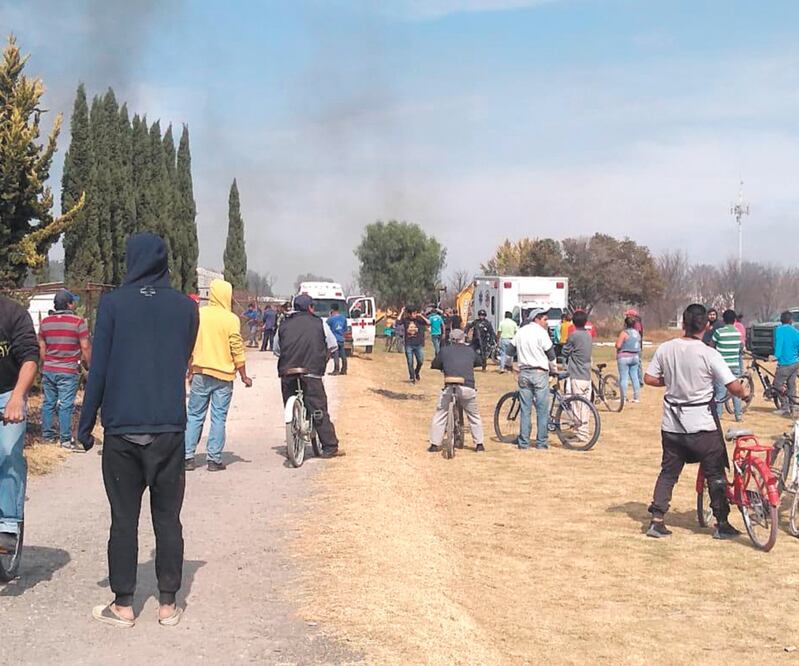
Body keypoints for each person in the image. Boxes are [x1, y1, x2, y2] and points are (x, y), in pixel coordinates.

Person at [78, 233, 199, 627]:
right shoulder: (186, 308)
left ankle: (124, 605)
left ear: (131, 260)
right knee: (168, 518)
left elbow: (99, 368)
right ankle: (168, 605)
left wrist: (85, 424)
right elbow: (181, 355)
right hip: (168, 428)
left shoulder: (113, 305)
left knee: (123, 519)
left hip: (122, 428)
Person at [644, 303, 748, 540]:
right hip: (702, 425)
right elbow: (733, 386)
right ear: (707, 325)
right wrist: (744, 393)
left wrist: (670, 381)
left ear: (683, 323)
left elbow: (649, 378)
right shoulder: (709, 353)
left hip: (672, 425)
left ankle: (657, 519)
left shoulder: (666, 348)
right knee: (715, 473)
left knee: (668, 473)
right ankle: (721, 523)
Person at [185, 278, 252, 472]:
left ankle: (187, 457)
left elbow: (190, 343)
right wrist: (244, 375)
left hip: (200, 372)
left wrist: (189, 369)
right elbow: (237, 348)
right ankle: (214, 460)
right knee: (218, 418)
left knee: (194, 415)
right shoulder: (231, 319)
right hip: (224, 376)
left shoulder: (199, 314)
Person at [274, 294, 342, 457]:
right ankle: (330, 447)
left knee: (289, 401)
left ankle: (293, 431)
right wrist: (323, 359)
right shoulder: (320, 323)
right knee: (318, 408)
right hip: (312, 371)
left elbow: (276, 349)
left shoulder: (283, 324)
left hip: (288, 372)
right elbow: (333, 346)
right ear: (310, 308)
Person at [0, 296, 39, 555]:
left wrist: (17, 397)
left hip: (8, 392)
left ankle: (8, 524)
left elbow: (30, 359)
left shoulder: (12, 313)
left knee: (8, 451)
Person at [37, 289, 92, 449]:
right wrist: (89, 365)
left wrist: (45, 364)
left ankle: (47, 436)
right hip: (68, 369)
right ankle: (65, 439)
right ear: (69, 304)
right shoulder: (78, 322)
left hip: (49, 368)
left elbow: (42, 347)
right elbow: (85, 346)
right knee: (66, 405)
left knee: (48, 403)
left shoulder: (45, 322)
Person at [428, 329, 485, 453]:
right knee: (473, 415)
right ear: (463, 338)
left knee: (440, 413)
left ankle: (434, 444)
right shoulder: (470, 350)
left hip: (449, 386)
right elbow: (479, 362)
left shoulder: (445, 350)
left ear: (451, 339)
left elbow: (435, 364)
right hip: (467, 387)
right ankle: (479, 444)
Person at [510, 309, 558, 450]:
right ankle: (541, 442)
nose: (547, 322)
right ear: (536, 319)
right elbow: (551, 355)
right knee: (542, 410)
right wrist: (554, 370)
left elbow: (509, 351)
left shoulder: (521, 331)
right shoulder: (541, 333)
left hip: (524, 372)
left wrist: (509, 366)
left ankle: (523, 442)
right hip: (539, 373)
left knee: (525, 410)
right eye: (545, 319)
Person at [710, 309, 743, 421]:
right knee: (735, 392)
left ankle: (718, 416)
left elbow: (711, 346)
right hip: (734, 366)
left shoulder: (719, 332)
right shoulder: (737, 333)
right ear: (734, 320)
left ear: (723, 320)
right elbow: (740, 348)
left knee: (720, 392)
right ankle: (738, 415)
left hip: (721, 366)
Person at [774, 311, 799, 416]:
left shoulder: (779, 330)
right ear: (791, 321)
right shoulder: (796, 332)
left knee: (777, 384)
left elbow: (779, 344)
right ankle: (793, 407)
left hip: (785, 362)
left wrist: (775, 356)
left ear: (781, 320)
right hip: (795, 362)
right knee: (791, 384)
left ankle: (784, 407)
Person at [615, 315, 642, 403]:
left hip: (624, 357)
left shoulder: (624, 333)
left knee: (624, 377)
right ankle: (636, 397)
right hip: (635, 356)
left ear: (625, 324)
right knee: (635, 377)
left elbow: (618, 345)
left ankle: (623, 397)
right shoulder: (637, 333)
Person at [400, 306, 429, 384]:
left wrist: (421, 315)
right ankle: (412, 378)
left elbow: (429, 323)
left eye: (416, 313)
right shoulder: (405, 320)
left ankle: (416, 372)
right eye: (413, 313)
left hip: (418, 344)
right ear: (409, 314)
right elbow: (397, 322)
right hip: (409, 344)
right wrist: (402, 312)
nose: (415, 315)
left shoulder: (419, 320)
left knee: (420, 361)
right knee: (410, 362)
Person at [327, 304, 348, 376]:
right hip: (341, 339)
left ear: (332, 310)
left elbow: (326, 328)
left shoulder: (330, 319)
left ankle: (336, 370)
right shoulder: (343, 318)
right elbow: (345, 329)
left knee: (336, 356)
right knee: (343, 355)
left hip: (334, 339)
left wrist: (330, 316)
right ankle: (344, 369)